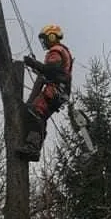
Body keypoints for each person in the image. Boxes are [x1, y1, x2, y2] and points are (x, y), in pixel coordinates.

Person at [15, 23, 73, 161]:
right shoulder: (63, 51)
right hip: (60, 91)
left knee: (35, 112)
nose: (44, 42)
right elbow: (52, 72)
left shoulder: (56, 51)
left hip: (55, 90)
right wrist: (39, 67)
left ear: (52, 36)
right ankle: (34, 145)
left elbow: (51, 70)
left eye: (46, 38)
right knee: (39, 116)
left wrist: (33, 63)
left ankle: (32, 148)